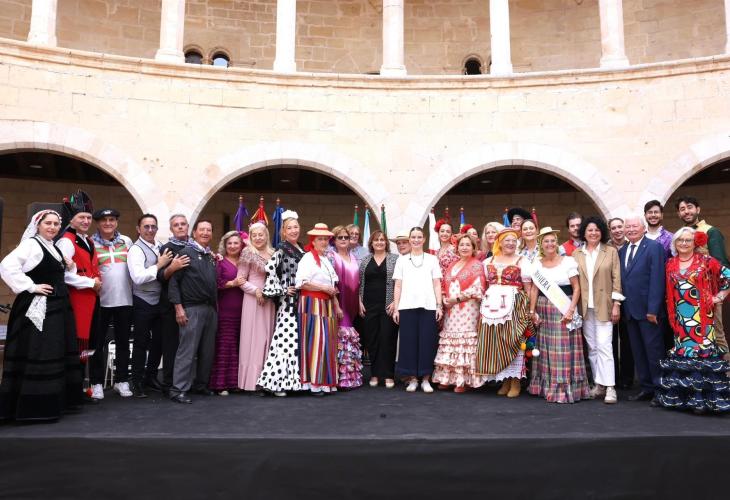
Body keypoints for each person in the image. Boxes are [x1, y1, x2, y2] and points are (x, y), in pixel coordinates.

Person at [0, 210, 83, 421]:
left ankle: (56, 402)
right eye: (48, 223)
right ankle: (36, 407)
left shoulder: (52, 247)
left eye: (56, 224)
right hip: (39, 307)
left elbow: (60, 275)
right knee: (40, 351)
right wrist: (31, 286)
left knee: (55, 349)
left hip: (58, 307)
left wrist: (70, 265)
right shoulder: (31, 245)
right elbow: (7, 266)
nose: (52, 227)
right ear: (38, 225)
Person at [656, 227, 730, 413]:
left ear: (694, 243)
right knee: (684, 354)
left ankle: (703, 401)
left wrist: (719, 297)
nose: (684, 243)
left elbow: (727, 276)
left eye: (688, 240)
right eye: (680, 240)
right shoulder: (670, 263)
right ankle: (685, 399)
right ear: (675, 243)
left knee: (702, 353)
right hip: (680, 318)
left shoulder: (706, 261)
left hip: (702, 318)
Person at [528, 227, 591, 403]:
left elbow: (576, 288)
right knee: (546, 348)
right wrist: (532, 311)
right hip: (544, 309)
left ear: (556, 243)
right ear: (541, 244)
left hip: (563, 308)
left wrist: (570, 310)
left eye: (552, 241)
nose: (550, 244)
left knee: (562, 349)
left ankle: (564, 388)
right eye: (546, 241)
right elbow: (534, 289)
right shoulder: (537, 264)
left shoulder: (568, 261)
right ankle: (546, 386)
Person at [57, 191, 102, 401]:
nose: (85, 221)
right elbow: (63, 275)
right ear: (72, 219)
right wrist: (90, 283)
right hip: (76, 299)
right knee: (77, 344)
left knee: (87, 344)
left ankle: (82, 388)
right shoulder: (66, 241)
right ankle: (72, 390)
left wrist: (96, 280)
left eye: (88, 217)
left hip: (91, 299)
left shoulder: (88, 240)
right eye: (81, 217)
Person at [477, 228, 533, 397]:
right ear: (499, 242)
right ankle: (505, 380)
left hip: (514, 304)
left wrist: (529, 308)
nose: (510, 243)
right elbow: (484, 285)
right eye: (507, 240)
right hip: (492, 306)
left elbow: (528, 287)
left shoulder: (522, 261)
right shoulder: (488, 261)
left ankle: (515, 381)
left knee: (512, 340)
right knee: (497, 342)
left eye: (514, 241)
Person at [573, 217, 623, 404]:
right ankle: (598, 384)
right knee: (592, 347)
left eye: (596, 230)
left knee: (605, 346)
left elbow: (617, 279)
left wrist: (616, 304)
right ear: (584, 233)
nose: (593, 233)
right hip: (585, 308)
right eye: (589, 230)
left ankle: (610, 387)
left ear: (601, 232)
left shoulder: (610, 251)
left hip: (605, 306)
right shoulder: (577, 254)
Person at [168, 219, 218, 404]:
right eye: (202, 230)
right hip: (191, 309)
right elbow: (174, 283)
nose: (205, 233)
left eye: (209, 230)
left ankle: (200, 385)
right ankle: (178, 389)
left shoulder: (210, 256)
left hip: (210, 309)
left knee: (207, 351)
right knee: (187, 351)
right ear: (194, 233)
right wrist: (178, 308)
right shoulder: (185, 253)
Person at [619, 215, 666, 405]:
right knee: (638, 352)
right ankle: (646, 388)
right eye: (627, 227)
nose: (630, 229)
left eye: (634, 226)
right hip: (630, 312)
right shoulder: (622, 251)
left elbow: (657, 280)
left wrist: (653, 309)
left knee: (654, 352)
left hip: (649, 312)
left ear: (643, 228)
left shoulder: (654, 247)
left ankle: (660, 390)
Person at [258, 211, 305, 396]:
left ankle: (290, 382)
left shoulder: (301, 249)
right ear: (283, 232)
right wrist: (283, 289)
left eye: (296, 227)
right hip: (288, 302)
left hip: (301, 300)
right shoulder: (282, 249)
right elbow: (269, 268)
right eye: (289, 228)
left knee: (295, 341)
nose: (293, 230)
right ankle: (275, 383)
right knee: (285, 339)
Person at [677, 196, 730, 361]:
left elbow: (721, 265)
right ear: (678, 213)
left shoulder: (711, 231)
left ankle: (724, 372)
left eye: (690, 207)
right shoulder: (681, 235)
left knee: (716, 333)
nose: (686, 211)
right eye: (682, 209)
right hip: (687, 297)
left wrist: (718, 296)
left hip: (708, 294)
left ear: (698, 209)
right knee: (692, 336)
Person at [127, 213, 175, 398]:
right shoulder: (135, 250)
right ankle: (137, 381)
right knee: (141, 342)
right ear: (138, 229)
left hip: (160, 301)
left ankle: (151, 376)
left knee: (159, 342)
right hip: (142, 301)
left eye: (153, 226)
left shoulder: (160, 246)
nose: (150, 230)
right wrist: (159, 265)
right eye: (146, 226)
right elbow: (138, 277)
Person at [432, 234, 487, 392]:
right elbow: (444, 284)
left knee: (465, 341)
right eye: (462, 245)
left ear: (473, 248)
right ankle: (447, 378)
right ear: (457, 247)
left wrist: (456, 299)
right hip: (451, 309)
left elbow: (478, 289)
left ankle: (463, 381)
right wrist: (444, 298)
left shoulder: (477, 265)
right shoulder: (452, 265)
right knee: (450, 340)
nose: (464, 247)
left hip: (468, 308)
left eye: (468, 245)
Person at [392, 227, 443, 393]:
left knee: (427, 342)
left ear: (424, 239)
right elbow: (398, 285)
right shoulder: (401, 261)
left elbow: (437, 283)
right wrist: (396, 308)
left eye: (419, 237)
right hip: (407, 307)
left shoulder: (432, 259)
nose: (416, 240)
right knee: (408, 343)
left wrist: (439, 305)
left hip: (428, 306)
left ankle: (426, 378)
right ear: (409, 239)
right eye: (413, 237)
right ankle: (413, 378)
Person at [90, 208, 134, 399]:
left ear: (116, 222)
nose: (108, 223)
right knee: (97, 344)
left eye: (112, 220)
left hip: (125, 300)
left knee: (123, 343)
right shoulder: (90, 243)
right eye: (104, 220)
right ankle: (96, 383)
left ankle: (121, 381)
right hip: (100, 301)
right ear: (97, 223)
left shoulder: (126, 241)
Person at [296, 223, 340, 395]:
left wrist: (336, 304)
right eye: (320, 239)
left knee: (326, 342)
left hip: (326, 304)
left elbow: (332, 286)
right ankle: (313, 383)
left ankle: (325, 382)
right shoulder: (307, 258)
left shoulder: (326, 260)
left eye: (325, 239)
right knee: (315, 341)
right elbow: (302, 283)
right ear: (313, 241)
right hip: (311, 303)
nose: (323, 242)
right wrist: (323, 288)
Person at [238, 222, 275, 393]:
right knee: (254, 338)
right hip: (253, 300)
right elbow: (240, 280)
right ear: (251, 237)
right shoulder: (247, 253)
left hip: (269, 300)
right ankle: (251, 380)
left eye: (261, 234)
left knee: (267, 336)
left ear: (266, 235)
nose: (258, 238)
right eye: (254, 235)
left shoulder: (273, 253)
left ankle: (266, 378)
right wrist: (256, 291)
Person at [156, 214, 191, 394]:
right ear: (171, 229)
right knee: (171, 346)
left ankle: (185, 382)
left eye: (183, 224)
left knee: (187, 346)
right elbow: (161, 277)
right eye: (176, 225)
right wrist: (172, 267)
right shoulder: (167, 248)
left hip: (191, 304)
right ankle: (169, 384)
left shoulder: (194, 246)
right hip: (170, 305)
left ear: (188, 226)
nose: (180, 227)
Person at [359, 230, 399, 389]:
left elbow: (400, 282)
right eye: (376, 240)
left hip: (388, 305)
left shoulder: (395, 259)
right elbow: (360, 283)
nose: (379, 242)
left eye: (382, 240)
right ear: (371, 243)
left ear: (386, 243)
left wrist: (396, 302)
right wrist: (359, 301)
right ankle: (375, 374)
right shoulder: (365, 260)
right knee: (372, 340)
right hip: (368, 305)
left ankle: (388, 375)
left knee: (388, 339)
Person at [209, 231, 245, 396]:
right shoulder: (219, 262)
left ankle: (235, 383)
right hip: (225, 311)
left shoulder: (245, 262)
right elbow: (215, 284)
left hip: (244, 311)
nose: (232, 246)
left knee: (238, 347)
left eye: (236, 243)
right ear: (224, 245)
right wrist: (232, 283)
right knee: (225, 346)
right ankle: (221, 384)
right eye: (229, 243)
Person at [329, 225, 363, 389]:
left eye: (346, 237)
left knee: (349, 337)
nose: (343, 240)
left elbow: (358, 283)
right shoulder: (331, 256)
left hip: (352, 303)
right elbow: (330, 283)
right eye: (340, 237)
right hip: (338, 302)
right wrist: (336, 305)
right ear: (334, 240)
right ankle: (341, 379)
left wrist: (360, 302)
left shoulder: (354, 257)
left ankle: (350, 377)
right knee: (343, 336)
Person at [606, 216, 633, 387]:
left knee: (627, 339)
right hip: (610, 299)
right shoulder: (606, 249)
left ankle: (627, 378)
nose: (617, 230)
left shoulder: (632, 246)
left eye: (619, 227)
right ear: (610, 231)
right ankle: (612, 376)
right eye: (613, 228)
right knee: (610, 340)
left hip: (629, 299)